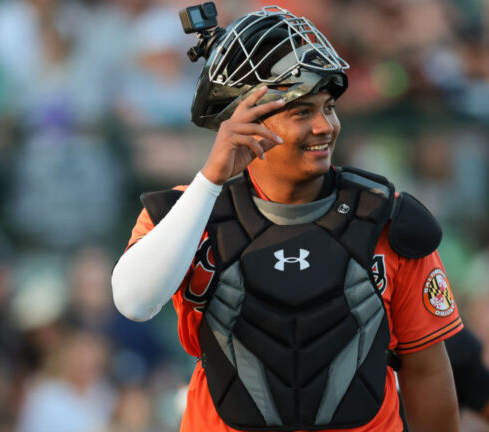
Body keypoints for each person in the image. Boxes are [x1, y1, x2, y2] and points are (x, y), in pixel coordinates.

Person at [111, 5, 462, 432]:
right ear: (247, 118)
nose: (324, 126)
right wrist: (211, 179)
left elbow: (425, 370)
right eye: (301, 112)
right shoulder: (184, 213)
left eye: (328, 107)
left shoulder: (387, 218)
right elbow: (134, 302)